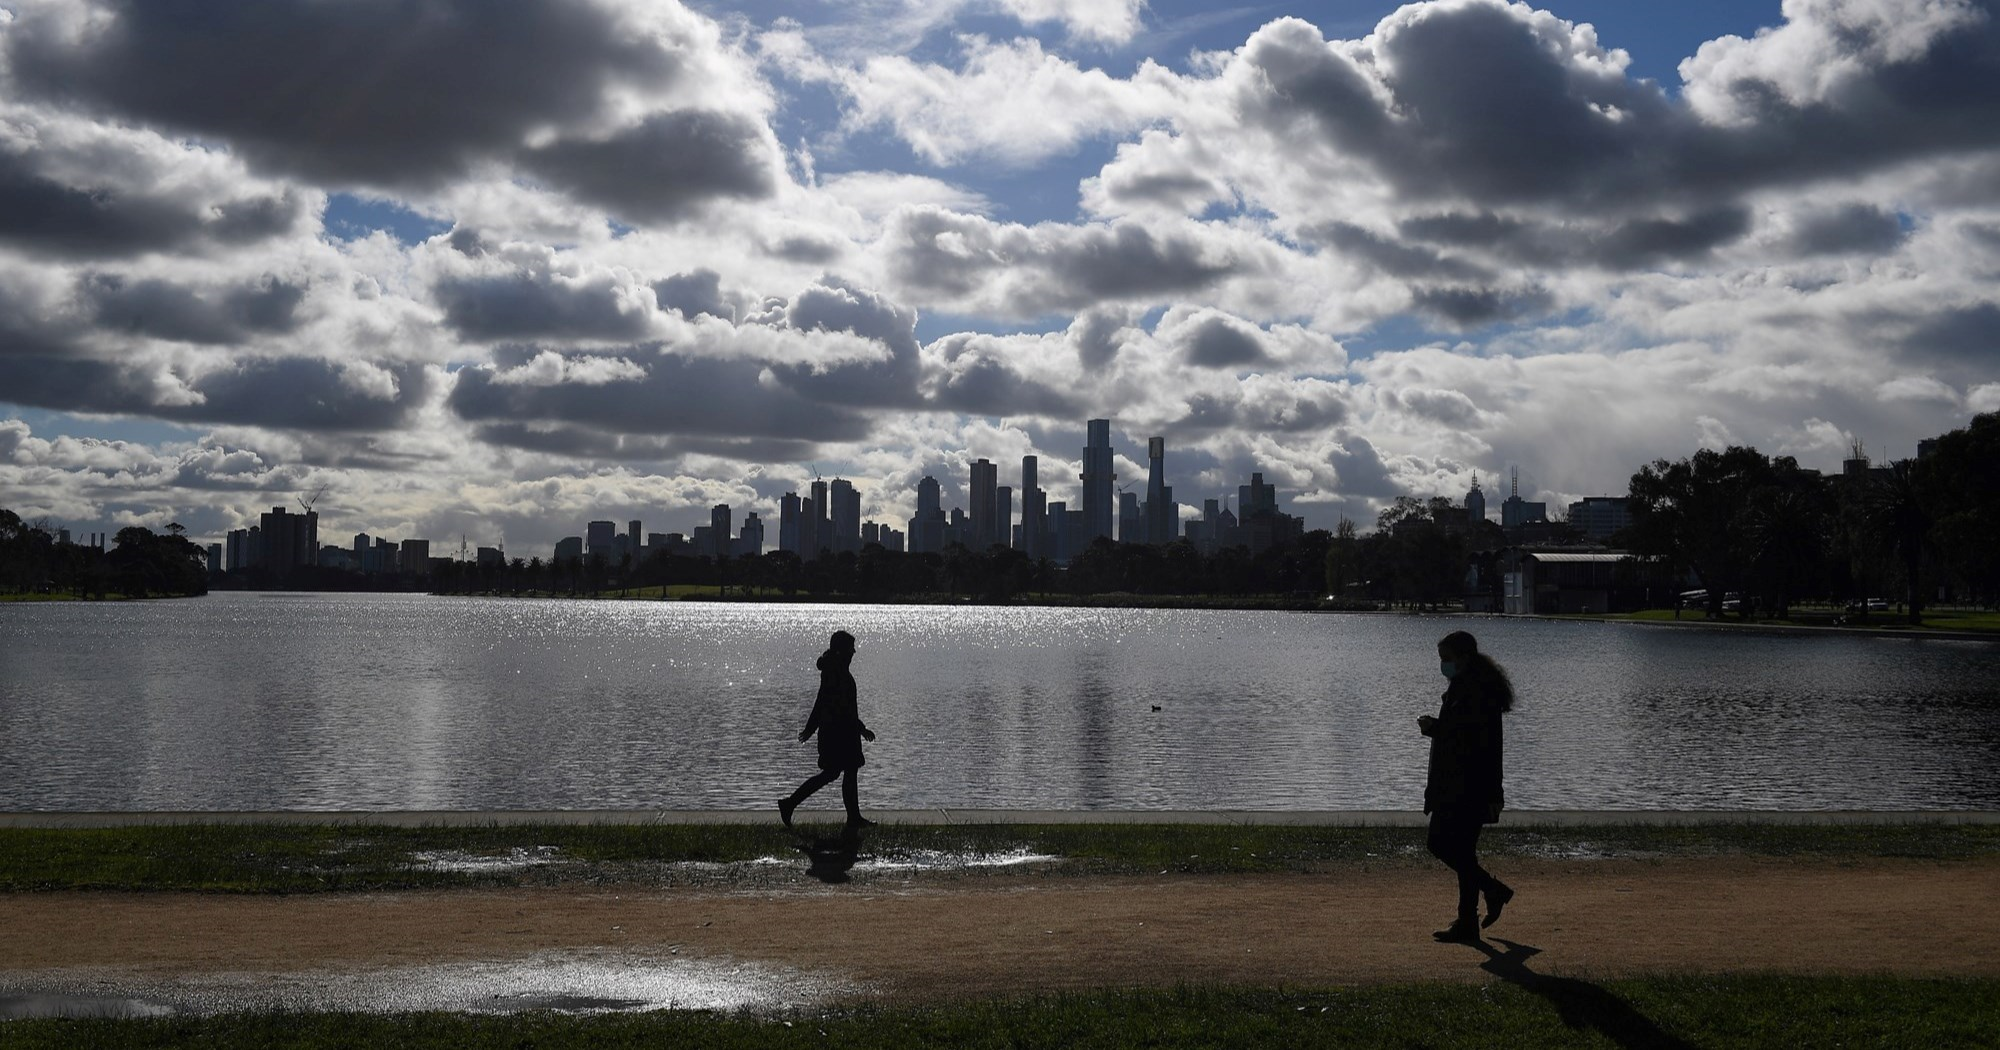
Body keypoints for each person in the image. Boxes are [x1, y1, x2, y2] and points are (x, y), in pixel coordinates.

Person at [1418, 629, 1515, 943]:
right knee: (1463, 853)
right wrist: (1438, 728)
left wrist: (1436, 728)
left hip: (1465, 785)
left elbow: (1474, 742)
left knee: (1441, 845)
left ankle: (1491, 891)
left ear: (1464, 658)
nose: (1443, 666)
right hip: (1463, 783)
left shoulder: (1475, 691)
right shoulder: (1468, 686)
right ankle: (1467, 921)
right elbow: (1462, 734)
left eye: (1446, 659)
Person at [779, 630, 877, 829]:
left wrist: (811, 729)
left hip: (842, 733)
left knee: (847, 772)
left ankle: (853, 817)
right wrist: (861, 729)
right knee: (833, 773)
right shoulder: (835, 673)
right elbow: (832, 705)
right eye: (851, 649)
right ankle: (789, 803)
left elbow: (826, 704)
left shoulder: (835, 670)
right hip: (837, 735)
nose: (854, 652)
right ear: (842, 651)